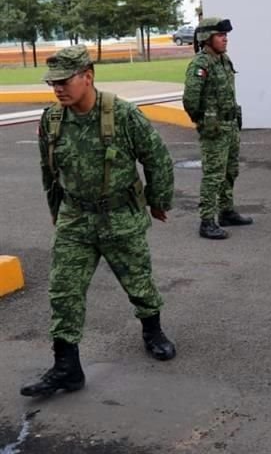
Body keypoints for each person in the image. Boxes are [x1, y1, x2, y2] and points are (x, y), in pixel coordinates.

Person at [21, 45, 176, 398]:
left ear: (88, 76)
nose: (57, 89)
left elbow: (157, 158)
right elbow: (48, 168)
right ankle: (67, 367)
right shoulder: (52, 119)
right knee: (63, 291)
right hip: (75, 219)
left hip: (119, 215)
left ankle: (153, 330)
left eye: (64, 81)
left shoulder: (123, 115)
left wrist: (158, 200)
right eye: (53, 83)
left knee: (137, 281)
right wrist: (54, 209)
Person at [183, 17, 253, 240]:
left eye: (226, 36)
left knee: (230, 171)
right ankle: (206, 221)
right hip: (214, 128)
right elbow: (190, 100)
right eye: (220, 35)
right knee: (213, 175)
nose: (225, 39)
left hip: (230, 125)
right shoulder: (200, 64)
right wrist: (204, 121)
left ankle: (226, 211)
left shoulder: (223, 60)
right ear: (206, 38)